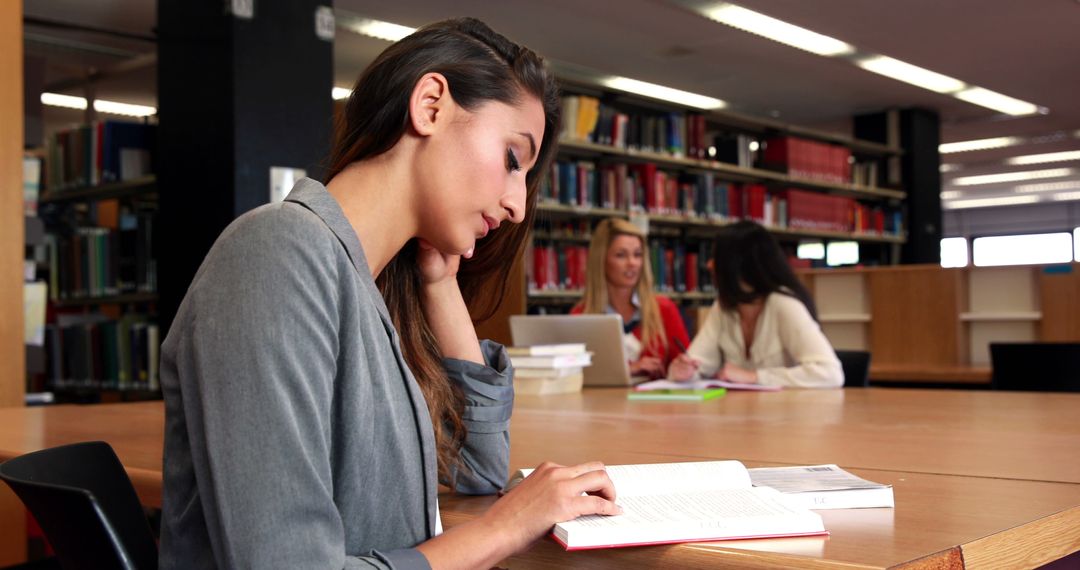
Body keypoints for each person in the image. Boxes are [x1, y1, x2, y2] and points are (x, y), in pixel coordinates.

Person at [159, 18, 621, 570]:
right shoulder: (277, 252)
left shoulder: (368, 289)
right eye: (512, 159)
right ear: (430, 105)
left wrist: (439, 282)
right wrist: (511, 523)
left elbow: (477, 471)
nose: (518, 205)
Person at [668, 221, 843, 388]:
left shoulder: (783, 304)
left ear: (736, 264)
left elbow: (830, 373)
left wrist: (755, 377)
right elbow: (699, 363)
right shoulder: (724, 307)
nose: (709, 264)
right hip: (741, 414)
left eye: (717, 257)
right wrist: (684, 371)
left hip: (789, 414)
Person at [571, 218, 691, 379]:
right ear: (602, 260)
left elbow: (686, 367)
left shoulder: (664, 308)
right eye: (621, 255)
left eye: (637, 254)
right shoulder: (581, 316)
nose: (632, 263)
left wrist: (682, 368)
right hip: (604, 403)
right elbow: (573, 375)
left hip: (655, 403)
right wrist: (628, 370)